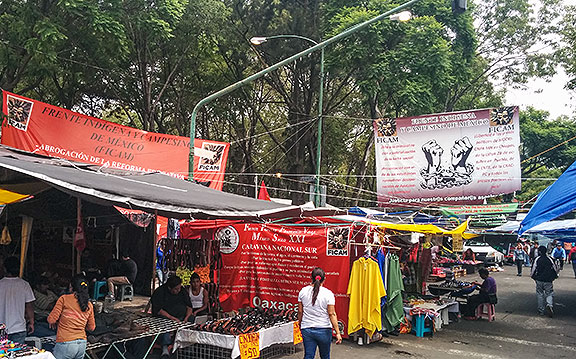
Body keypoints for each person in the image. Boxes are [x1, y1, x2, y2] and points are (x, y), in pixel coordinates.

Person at [298, 267, 342, 359]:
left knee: (308, 356)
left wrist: (300, 323)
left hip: (307, 328)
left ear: (311, 278)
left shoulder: (303, 291)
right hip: (324, 330)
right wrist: (337, 332)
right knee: (325, 356)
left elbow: (300, 311)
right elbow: (332, 314)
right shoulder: (328, 294)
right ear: (324, 279)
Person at [48, 275, 96, 359]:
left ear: (71, 287)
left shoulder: (64, 299)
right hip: (81, 344)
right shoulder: (89, 304)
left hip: (66, 343)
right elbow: (91, 328)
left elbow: (51, 319)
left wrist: (58, 321)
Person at [151, 276, 193, 358]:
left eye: (179, 288)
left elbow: (189, 307)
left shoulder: (182, 291)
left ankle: (186, 345)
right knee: (164, 323)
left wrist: (186, 317)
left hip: (181, 317)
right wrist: (171, 317)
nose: (178, 290)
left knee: (191, 320)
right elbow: (158, 310)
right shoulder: (160, 292)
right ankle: (165, 347)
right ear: (169, 287)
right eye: (176, 289)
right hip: (166, 317)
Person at [0, 256, 35, 344]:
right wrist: (31, 322)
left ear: (4, 268)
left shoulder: (0, 284)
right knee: (17, 355)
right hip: (19, 328)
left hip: (1, 328)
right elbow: (29, 305)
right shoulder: (24, 285)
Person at [531, 246, 558, 317]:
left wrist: (533, 276)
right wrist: (555, 276)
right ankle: (549, 304)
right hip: (548, 280)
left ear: (539, 251)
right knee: (549, 293)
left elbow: (533, 269)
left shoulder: (537, 259)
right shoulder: (550, 259)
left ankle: (541, 310)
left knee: (540, 294)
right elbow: (555, 269)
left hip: (539, 279)